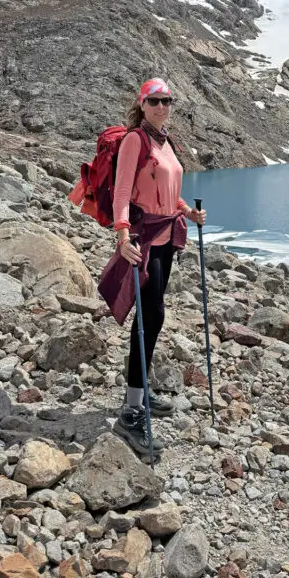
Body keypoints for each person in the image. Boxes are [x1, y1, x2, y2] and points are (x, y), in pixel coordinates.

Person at [99, 78, 206, 456]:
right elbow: (124, 192)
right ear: (142, 104)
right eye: (155, 101)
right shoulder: (135, 141)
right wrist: (123, 237)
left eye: (167, 100)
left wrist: (186, 211)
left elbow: (167, 191)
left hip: (166, 238)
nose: (162, 106)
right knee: (151, 316)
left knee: (154, 317)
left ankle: (139, 394)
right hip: (144, 239)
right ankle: (131, 407)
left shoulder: (165, 140)